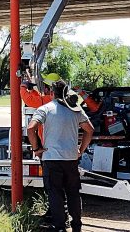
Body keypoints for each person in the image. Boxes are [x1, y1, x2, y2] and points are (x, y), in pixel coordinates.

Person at [28, 80, 94, 232]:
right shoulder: (76, 110)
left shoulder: (44, 109)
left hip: (51, 159)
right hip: (71, 159)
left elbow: (31, 129)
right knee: (73, 193)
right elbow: (89, 130)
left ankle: (60, 227)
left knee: (55, 193)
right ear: (66, 92)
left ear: (51, 93)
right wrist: (81, 150)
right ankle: (77, 226)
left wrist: (37, 148)